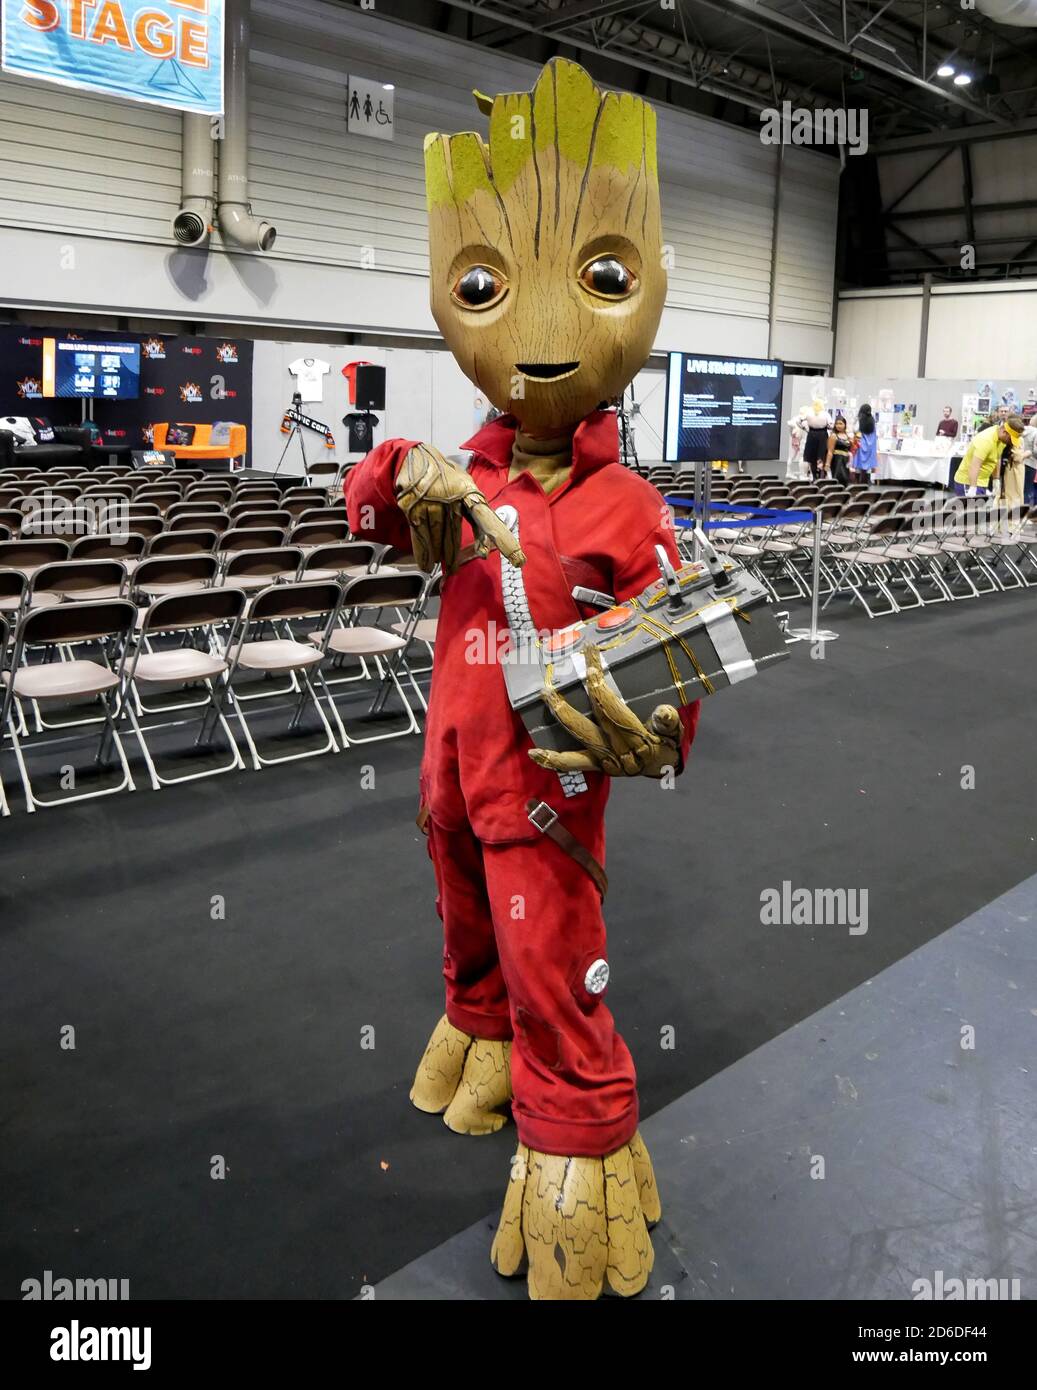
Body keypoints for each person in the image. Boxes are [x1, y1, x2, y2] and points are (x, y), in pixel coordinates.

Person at [347, 58, 698, 1301]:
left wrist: (654, 724)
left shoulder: (629, 506)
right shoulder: (470, 475)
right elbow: (370, 502)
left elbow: (677, 653)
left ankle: (582, 1126)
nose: (541, 333)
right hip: (449, 761)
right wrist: (399, 472)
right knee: (463, 914)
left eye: (599, 279)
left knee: (553, 948)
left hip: (549, 779)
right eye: (488, 286)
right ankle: (476, 1030)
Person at [953, 415, 1023, 498]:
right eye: (1010, 439)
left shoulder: (1001, 441)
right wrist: (972, 488)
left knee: (977, 510)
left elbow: (997, 458)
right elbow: (975, 465)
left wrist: (996, 480)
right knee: (969, 510)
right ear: (1004, 432)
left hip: (982, 482)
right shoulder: (986, 440)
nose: (1010, 443)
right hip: (967, 482)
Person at [802, 400, 830, 480]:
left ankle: (814, 475)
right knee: (822, 455)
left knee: (811, 456)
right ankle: (821, 475)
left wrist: (806, 429)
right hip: (822, 434)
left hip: (812, 434)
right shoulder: (825, 414)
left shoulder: (808, 413)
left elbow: (799, 421)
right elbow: (830, 424)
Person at [853, 403, 879, 483]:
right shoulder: (872, 421)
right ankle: (866, 481)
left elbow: (855, 430)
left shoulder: (859, 420)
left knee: (858, 464)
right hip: (870, 446)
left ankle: (857, 482)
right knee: (867, 465)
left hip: (861, 445)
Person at [826, 414, 853, 484]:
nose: (838, 425)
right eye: (837, 424)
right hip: (837, 461)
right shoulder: (833, 436)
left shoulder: (848, 436)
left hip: (846, 461)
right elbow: (830, 451)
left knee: (846, 480)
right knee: (837, 479)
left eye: (840, 423)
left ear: (845, 425)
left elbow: (851, 450)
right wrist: (827, 464)